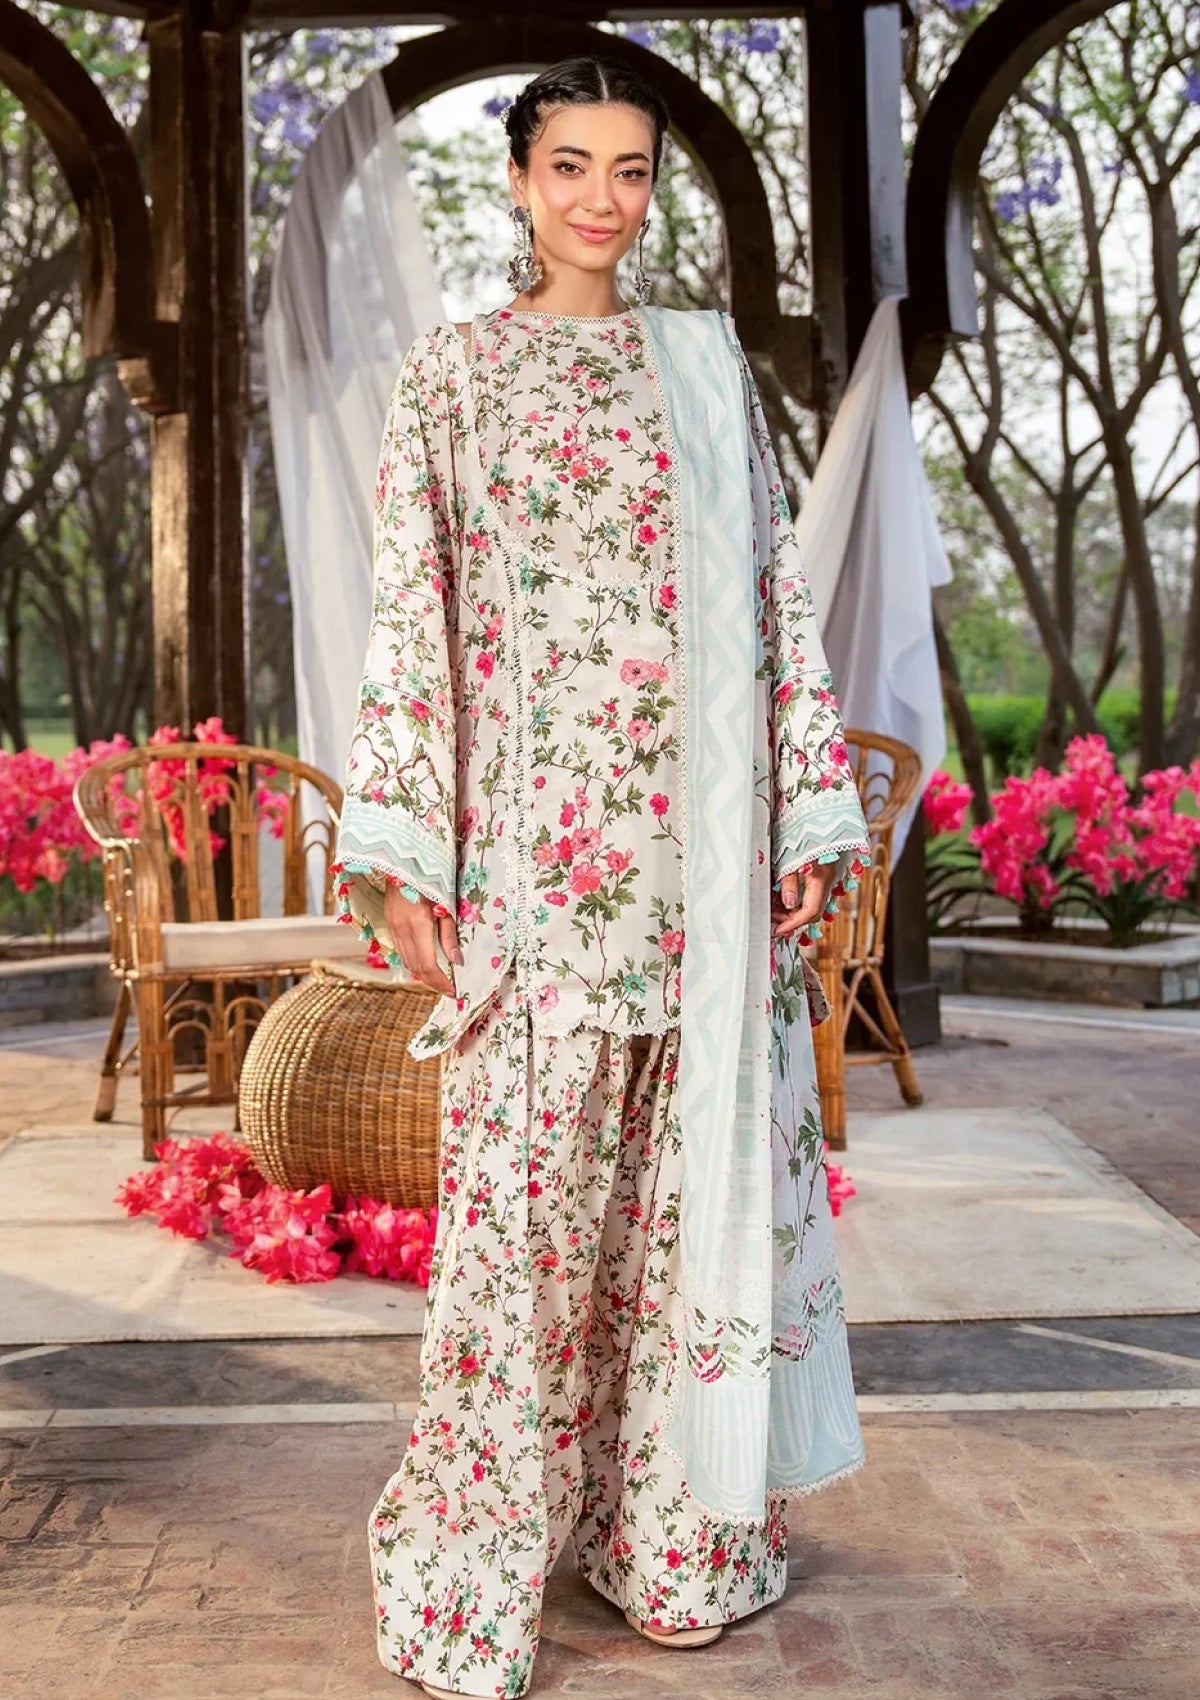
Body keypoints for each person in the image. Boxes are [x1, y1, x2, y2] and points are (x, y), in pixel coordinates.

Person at [332, 53, 871, 1700]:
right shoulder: (456, 378)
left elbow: (775, 601)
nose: (602, 200)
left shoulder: (704, 373)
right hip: (538, 884)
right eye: (571, 165)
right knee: (523, 1243)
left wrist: (804, 821)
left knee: (678, 1227)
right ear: (518, 179)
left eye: (631, 170)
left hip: (704, 877)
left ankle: (673, 1536)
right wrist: (405, 853)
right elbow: (414, 617)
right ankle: (481, 1561)